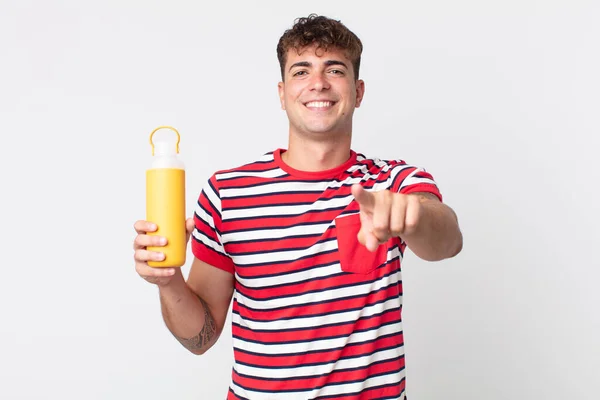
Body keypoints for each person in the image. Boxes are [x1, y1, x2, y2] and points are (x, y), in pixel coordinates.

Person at [133, 14, 462, 400]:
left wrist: (413, 217)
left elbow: (447, 241)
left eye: (334, 69)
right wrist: (168, 281)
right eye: (301, 70)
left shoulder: (393, 183)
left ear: (358, 92)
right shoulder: (227, 192)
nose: (318, 83)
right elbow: (200, 338)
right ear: (282, 92)